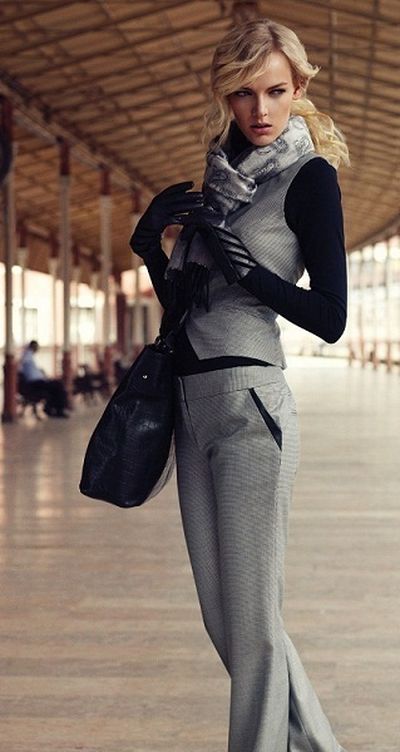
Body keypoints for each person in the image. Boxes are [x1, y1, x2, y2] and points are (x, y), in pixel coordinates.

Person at [130, 17, 349, 752]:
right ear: (225, 95)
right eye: (245, 93)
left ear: (299, 88)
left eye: (277, 92)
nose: (261, 109)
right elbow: (188, 305)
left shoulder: (310, 179)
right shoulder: (217, 182)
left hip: (252, 406)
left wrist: (250, 271)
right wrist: (151, 250)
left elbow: (331, 317)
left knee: (254, 625)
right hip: (190, 406)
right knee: (226, 621)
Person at [18, 340, 70, 418]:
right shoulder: (27, 354)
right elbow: (21, 363)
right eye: (37, 347)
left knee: (55, 386)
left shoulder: (29, 355)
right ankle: (59, 410)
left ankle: (51, 408)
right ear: (33, 346)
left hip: (38, 381)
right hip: (35, 383)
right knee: (58, 385)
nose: (38, 349)